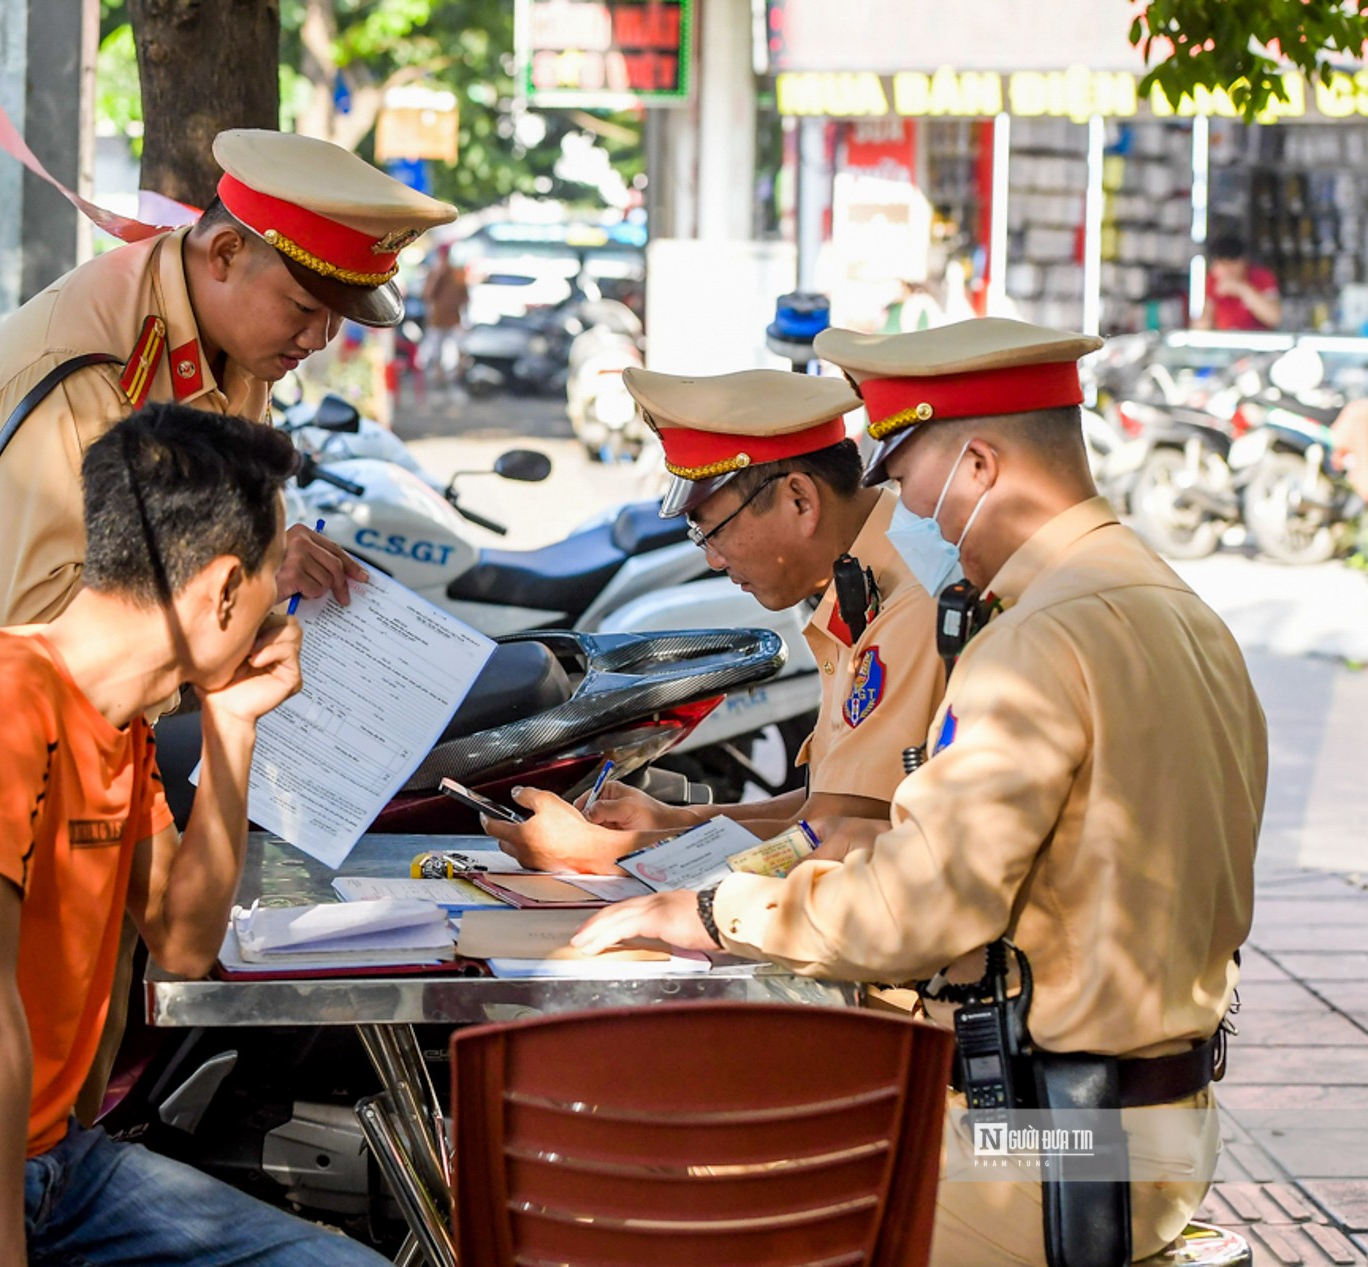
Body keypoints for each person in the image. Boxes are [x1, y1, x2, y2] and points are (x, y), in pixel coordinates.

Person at [573, 317, 1267, 1266]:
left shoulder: (1034, 642)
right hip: (1139, 1124)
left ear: (979, 465)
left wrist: (710, 906)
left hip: (1051, 1147)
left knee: (650, 1183)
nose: (914, 517)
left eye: (910, 481)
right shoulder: (1175, 608)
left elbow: (911, 910)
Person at [0, 406, 386, 1267]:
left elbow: (188, 943)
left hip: (47, 1160)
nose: (281, 600)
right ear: (225, 590)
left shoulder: (117, 722)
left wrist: (234, 728)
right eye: (275, 573)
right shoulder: (6, 696)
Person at [0, 128, 457, 745]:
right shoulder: (85, 368)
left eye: (338, 316)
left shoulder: (234, 337)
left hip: (111, 723)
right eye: (303, 307)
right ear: (226, 253)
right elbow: (41, 624)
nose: (319, 339)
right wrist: (251, 579)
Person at [483, 368, 945, 875]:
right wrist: (678, 821)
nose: (714, 562)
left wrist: (614, 856)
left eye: (714, 531)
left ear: (800, 500)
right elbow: (827, 808)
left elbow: (841, 840)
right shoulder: (874, 572)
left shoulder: (910, 600)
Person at [1197, 233, 1282, 331]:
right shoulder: (1212, 281)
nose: (1228, 270)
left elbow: (1274, 318)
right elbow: (1204, 320)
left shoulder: (1262, 277)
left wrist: (1242, 289)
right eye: (1223, 264)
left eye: (1232, 264)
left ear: (1244, 262)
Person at [419, 243, 469, 394]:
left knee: (460, 348)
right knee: (436, 350)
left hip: (454, 318)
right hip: (438, 318)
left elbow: (465, 297)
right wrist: (437, 275)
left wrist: (465, 318)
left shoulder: (457, 273)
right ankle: (439, 378)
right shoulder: (434, 273)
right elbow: (427, 295)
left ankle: (457, 377)